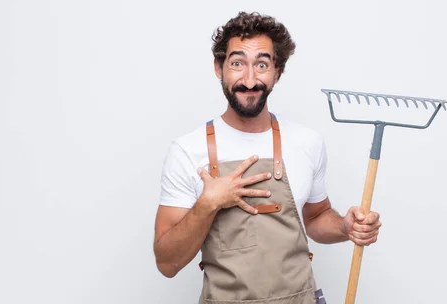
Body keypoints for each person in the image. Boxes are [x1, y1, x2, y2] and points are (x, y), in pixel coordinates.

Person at [153, 11, 382, 304]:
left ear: (277, 71)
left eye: (262, 64)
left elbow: (315, 217)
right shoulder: (188, 151)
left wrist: (344, 227)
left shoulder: (306, 142)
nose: (250, 80)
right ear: (219, 67)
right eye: (237, 63)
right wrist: (209, 204)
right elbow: (166, 263)